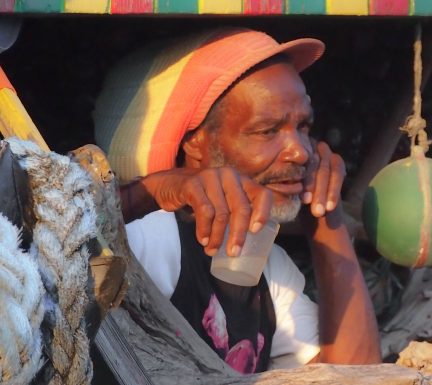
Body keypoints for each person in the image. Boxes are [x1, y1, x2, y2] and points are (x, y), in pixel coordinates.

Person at [93, 27, 381, 373]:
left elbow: (358, 376)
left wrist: (326, 221)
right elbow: (52, 250)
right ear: (195, 142)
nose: (301, 152)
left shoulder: (271, 270)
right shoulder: (155, 236)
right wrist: (145, 193)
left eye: (303, 127)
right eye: (267, 131)